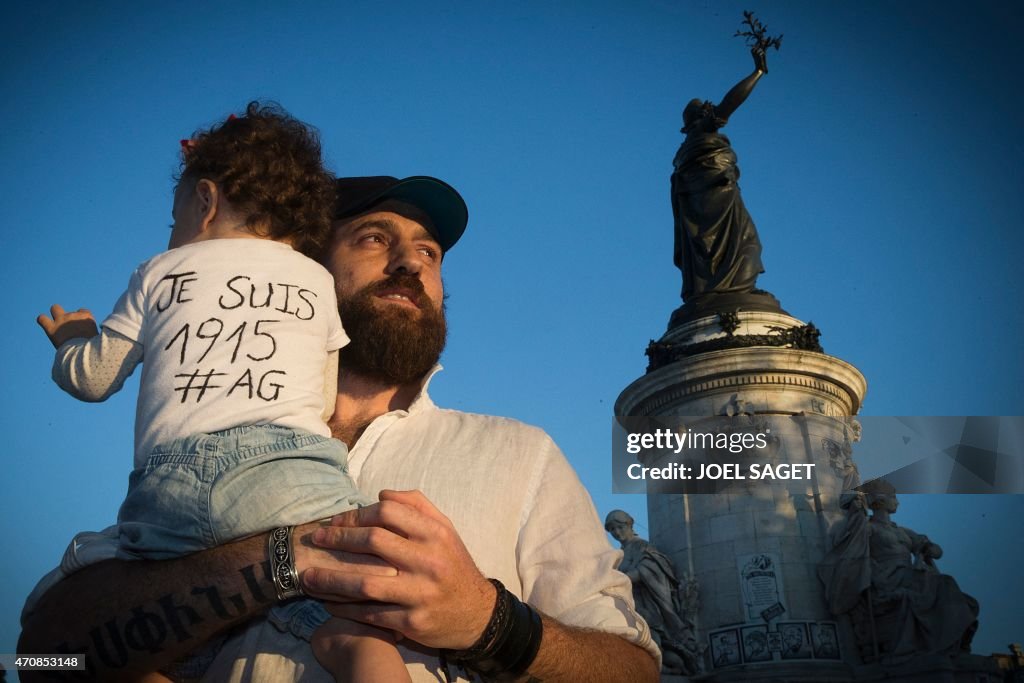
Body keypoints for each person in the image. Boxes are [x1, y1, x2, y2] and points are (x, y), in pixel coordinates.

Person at [20, 174, 661, 682]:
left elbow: (636, 670)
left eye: (429, 252)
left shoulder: (522, 455)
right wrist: (276, 562)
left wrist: (486, 620)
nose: (412, 263)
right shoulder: (189, 456)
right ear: (303, 274)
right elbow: (35, 661)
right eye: (375, 238)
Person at [31, 104, 408, 682]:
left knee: (123, 644)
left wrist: (73, 338)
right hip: (292, 479)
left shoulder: (163, 269)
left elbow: (91, 379)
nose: (173, 230)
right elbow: (324, 402)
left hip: (169, 492)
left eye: (174, 214)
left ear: (204, 202)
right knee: (352, 628)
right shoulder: (316, 280)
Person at [818, 479, 979, 661]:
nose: (897, 502)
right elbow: (854, 552)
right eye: (893, 497)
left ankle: (951, 643)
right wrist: (856, 512)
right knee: (943, 584)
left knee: (947, 586)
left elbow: (936, 551)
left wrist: (928, 548)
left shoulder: (903, 531)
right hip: (889, 578)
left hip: (911, 574)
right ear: (880, 500)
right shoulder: (869, 529)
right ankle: (947, 643)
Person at [671, 47, 768, 304]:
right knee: (747, 244)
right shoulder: (703, 133)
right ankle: (733, 287)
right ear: (700, 117)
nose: (711, 107)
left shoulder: (685, 153)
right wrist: (758, 72)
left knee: (730, 246)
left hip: (708, 200)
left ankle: (725, 286)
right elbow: (730, 103)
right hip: (720, 195)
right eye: (706, 107)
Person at [604, 509, 701, 675]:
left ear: (629, 524)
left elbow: (650, 567)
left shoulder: (641, 546)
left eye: (619, 527)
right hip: (631, 604)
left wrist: (623, 579)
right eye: (612, 529)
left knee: (651, 636)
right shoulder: (619, 555)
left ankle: (664, 666)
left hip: (648, 605)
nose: (616, 533)